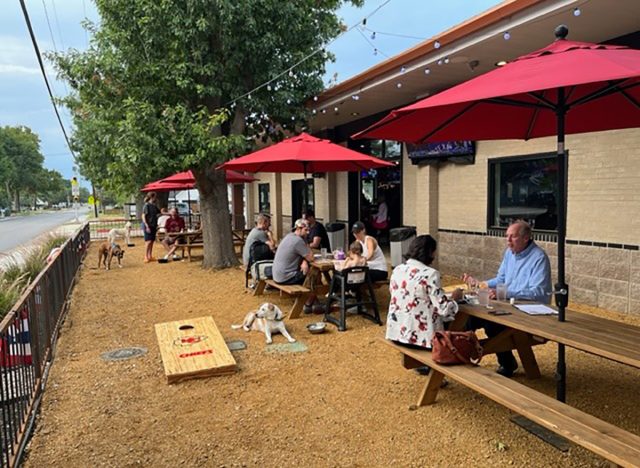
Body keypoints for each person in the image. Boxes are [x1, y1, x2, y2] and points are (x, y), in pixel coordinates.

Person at [462, 220, 552, 377]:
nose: (508, 241)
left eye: (513, 237)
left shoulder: (539, 258)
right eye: (507, 236)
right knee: (469, 318)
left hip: (530, 311)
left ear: (526, 238)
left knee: (492, 323)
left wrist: (505, 293)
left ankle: (505, 363)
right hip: (509, 306)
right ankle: (457, 353)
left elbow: (539, 293)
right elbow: (501, 279)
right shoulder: (510, 253)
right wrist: (481, 284)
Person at [386, 235, 463, 349]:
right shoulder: (430, 274)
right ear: (430, 253)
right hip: (421, 340)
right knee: (462, 323)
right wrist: (455, 298)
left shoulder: (398, 270)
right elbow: (444, 309)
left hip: (396, 334)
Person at [272, 218, 317, 313]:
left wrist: (304, 261)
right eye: (306, 230)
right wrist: (306, 258)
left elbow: (304, 255)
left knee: (307, 268)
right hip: (286, 277)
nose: (308, 233)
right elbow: (311, 258)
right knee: (313, 273)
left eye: (309, 230)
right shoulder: (298, 241)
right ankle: (308, 302)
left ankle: (313, 298)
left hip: (277, 275)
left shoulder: (289, 236)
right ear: (299, 228)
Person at [142, 192, 160, 263]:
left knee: (152, 241)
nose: (156, 198)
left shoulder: (154, 206)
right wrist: (146, 225)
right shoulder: (146, 205)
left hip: (153, 225)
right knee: (148, 241)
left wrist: (169, 213)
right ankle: (146, 256)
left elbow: (159, 212)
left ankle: (150, 256)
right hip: (148, 226)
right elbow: (143, 216)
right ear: (152, 197)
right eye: (155, 197)